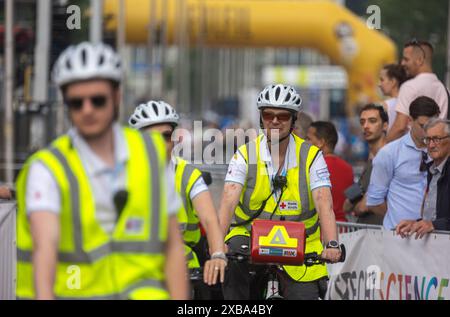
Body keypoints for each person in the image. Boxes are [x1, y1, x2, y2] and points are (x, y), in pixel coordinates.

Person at [16, 42, 188, 300]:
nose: (87, 110)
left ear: (117, 96)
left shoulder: (150, 156)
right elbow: (45, 249)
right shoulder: (47, 168)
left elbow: (173, 247)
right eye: (76, 102)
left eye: (97, 100)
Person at [218, 84, 341, 300]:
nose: (275, 121)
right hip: (248, 239)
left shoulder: (312, 156)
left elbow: (324, 202)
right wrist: (217, 243)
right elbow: (228, 200)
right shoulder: (245, 154)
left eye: (283, 116)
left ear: (294, 120)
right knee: (233, 272)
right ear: (261, 118)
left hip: (301, 246)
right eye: (268, 114)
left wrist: (331, 243)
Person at [128, 100, 227, 288]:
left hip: (184, 266)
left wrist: (218, 255)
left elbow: (210, 220)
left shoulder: (187, 174)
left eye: (166, 136)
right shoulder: (121, 175)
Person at [367, 96, 440, 230]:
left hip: (436, 236)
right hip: (398, 236)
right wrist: (397, 219)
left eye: (433, 125)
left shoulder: (443, 151)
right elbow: (374, 201)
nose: (429, 131)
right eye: (423, 126)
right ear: (410, 121)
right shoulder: (389, 153)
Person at [396, 119, 450, 238]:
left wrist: (434, 225)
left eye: (437, 139)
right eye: (428, 140)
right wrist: (416, 223)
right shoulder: (432, 170)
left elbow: (435, 223)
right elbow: (434, 217)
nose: (431, 145)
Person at [386, 39, 449, 142]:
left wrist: (381, 150)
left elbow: (400, 127)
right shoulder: (445, 90)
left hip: (414, 152)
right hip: (437, 151)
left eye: (406, 59)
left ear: (419, 60)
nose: (402, 63)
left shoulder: (409, 87)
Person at [343, 104, 388, 225]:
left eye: (372, 121)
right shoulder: (371, 160)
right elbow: (347, 205)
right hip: (368, 235)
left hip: (384, 235)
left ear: (385, 126)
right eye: (362, 122)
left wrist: (357, 208)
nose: (366, 126)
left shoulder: (389, 158)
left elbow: (363, 207)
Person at [306, 121, 354, 222]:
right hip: (345, 230)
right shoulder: (348, 168)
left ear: (321, 142)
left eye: (308, 139)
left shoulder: (313, 167)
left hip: (322, 229)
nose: (305, 142)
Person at [378, 64, 407, 130]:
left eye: (382, 80)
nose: (379, 84)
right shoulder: (408, 102)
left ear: (393, 82)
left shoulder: (385, 106)